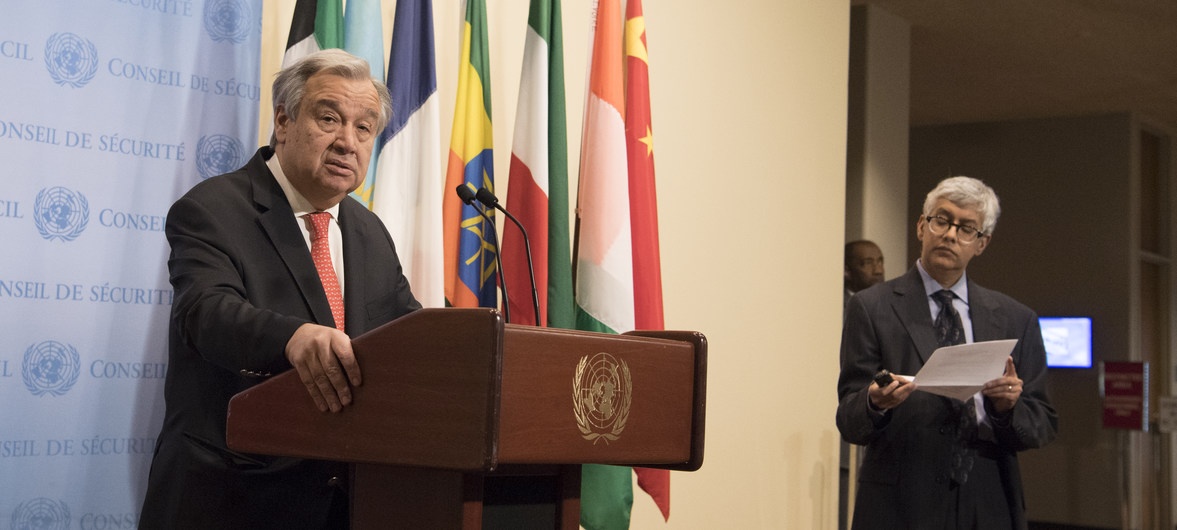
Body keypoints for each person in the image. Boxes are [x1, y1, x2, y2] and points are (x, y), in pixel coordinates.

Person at [139, 49, 421, 529]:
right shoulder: (212, 209)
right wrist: (292, 338)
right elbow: (205, 311)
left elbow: (409, 334)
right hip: (230, 499)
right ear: (284, 122)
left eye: (363, 128)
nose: (346, 142)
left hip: (344, 505)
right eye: (329, 119)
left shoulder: (369, 231)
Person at [836, 176, 1057, 529]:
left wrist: (1007, 408)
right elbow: (848, 418)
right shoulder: (871, 307)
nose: (951, 235)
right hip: (899, 500)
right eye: (942, 220)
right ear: (922, 226)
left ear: (981, 243)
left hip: (988, 499)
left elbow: (1043, 423)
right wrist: (874, 403)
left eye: (967, 228)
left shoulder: (1017, 318)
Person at [844, 240, 885, 307]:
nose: (879, 271)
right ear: (847, 271)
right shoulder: (836, 304)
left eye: (880, 262)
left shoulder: (890, 303)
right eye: (868, 263)